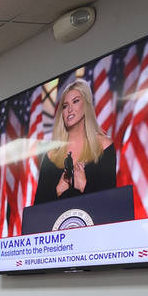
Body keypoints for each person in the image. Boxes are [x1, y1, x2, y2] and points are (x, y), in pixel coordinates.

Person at [31, 77, 116, 206]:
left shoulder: (104, 146)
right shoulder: (51, 155)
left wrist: (84, 187)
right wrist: (58, 191)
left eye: (75, 101)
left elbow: (111, 206)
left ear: (86, 105)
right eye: (65, 106)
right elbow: (37, 211)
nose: (69, 109)